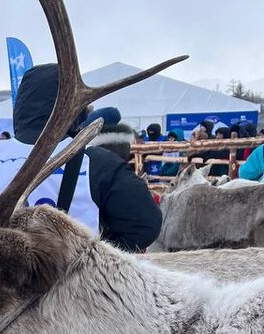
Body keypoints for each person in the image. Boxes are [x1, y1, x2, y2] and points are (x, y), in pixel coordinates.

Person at [10, 63, 161, 251]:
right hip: (80, 278)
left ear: (21, 106)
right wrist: (97, 257)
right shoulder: (97, 163)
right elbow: (145, 224)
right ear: (73, 105)